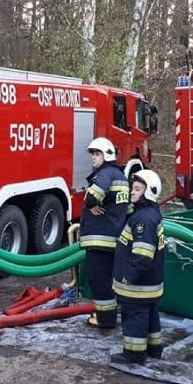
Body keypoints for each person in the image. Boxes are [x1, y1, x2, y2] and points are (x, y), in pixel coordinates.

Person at [111, 169, 165, 365]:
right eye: (132, 188)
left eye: (136, 189)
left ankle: (133, 354)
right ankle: (154, 348)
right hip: (150, 284)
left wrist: (130, 275)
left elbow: (143, 254)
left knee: (134, 316)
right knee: (150, 315)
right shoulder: (148, 214)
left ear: (147, 192)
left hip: (138, 285)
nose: (132, 192)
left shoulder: (143, 219)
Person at [79, 136, 129, 329]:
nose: (93, 158)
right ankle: (107, 314)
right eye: (92, 154)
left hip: (100, 239)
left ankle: (105, 319)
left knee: (99, 280)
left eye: (97, 154)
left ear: (106, 155)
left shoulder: (105, 175)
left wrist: (91, 204)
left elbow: (92, 197)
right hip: (113, 238)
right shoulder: (121, 176)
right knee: (108, 279)